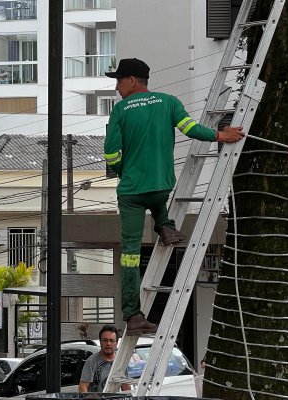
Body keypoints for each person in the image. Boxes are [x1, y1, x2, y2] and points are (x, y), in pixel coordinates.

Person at [103, 58, 245, 335]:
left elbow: (110, 152)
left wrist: (123, 171)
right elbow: (191, 129)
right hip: (161, 187)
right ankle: (166, 226)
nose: (117, 86)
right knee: (158, 204)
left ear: (133, 80)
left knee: (130, 255)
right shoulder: (169, 102)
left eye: (119, 80)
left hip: (131, 192)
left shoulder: (120, 110)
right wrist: (221, 135)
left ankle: (132, 315)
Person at [79, 325, 130, 393]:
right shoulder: (92, 361)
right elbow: (83, 387)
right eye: (105, 340)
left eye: (111, 340)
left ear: (117, 343)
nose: (108, 343)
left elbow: (126, 387)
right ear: (100, 342)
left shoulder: (121, 361)